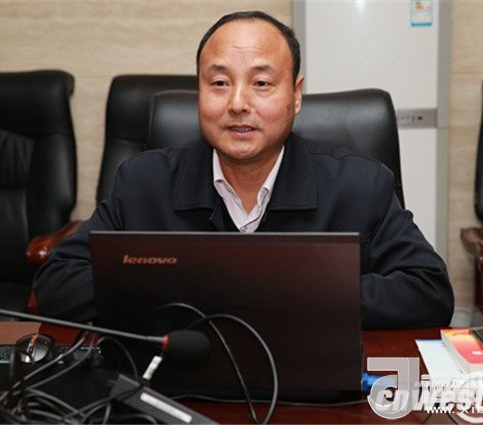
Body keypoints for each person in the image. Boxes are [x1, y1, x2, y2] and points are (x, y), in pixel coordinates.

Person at [34, 10, 454, 328]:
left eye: (261, 83)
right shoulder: (143, 182)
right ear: (199, 91)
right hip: (175, 385)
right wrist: (192, 287)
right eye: (219, 83)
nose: (237, 104)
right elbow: (57, 284)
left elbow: (429, 291)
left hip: (313, 390)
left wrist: (286, 294)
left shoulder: (360, 184)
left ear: (296, 95)